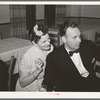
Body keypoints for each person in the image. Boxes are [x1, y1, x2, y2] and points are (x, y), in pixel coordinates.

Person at [42, 21, 100, 92]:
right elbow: (48, 82)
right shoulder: (53, 57)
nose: (79, 40)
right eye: (74, 37)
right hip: (71, 90)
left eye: (79, 36)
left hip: (93, 85)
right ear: (64, 39)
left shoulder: (88, 45)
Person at [15, 24, 54, 91]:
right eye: (44, 42)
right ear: (34, 43)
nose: (48, 43)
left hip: (44, 84)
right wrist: (37, 71)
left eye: (48, 39)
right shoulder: (28, 56)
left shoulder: (51, 48)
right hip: (29, 89)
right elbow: (22, 83)